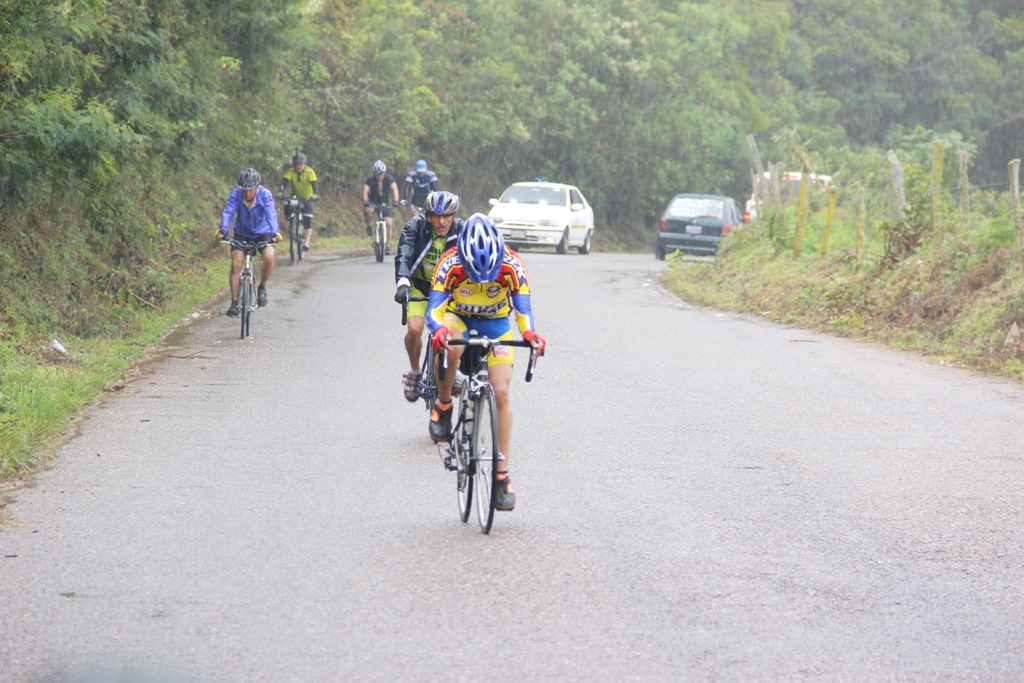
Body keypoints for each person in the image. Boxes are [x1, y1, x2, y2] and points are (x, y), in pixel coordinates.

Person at [425, 213, 546, 511]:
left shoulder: (513, 265)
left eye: (488, 275)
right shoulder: (450, 263)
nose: (481, 280)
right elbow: (434, 311)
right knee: (451, 348)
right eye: (473, 273)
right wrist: (438, 330)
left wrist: (529, 333)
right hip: (457, 318)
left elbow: (523, 308)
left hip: (496, 323)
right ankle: (443, 405)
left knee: (501, 392)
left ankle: (501, 476)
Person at [394, 191, 464, 401]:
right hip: (419, 286)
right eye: (436, 216)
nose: (442, 222)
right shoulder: (415, 227)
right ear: (428, 217)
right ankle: (415, 372)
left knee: (455, 332)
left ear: (454, 216)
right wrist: (403, 284)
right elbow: (404, 255)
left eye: (447, 216)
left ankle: (455, 370)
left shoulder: (462, 229)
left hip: (448, 291)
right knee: (415, 329)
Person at [216, 168, 282, 317]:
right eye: (244, 190)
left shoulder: (265, 195)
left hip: (262, 232)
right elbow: (229, 211)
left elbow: (271, 214)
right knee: (236, 263)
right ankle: (234, 304)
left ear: (257, 187)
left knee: (269, 256)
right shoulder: (236, 194)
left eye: (250, 190)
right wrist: (224, 229)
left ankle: (262, 286)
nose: (247, 194)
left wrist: (274, 232)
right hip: (242, 232)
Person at [277, 152, 318, 251]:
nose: (299, 167)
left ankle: (307, 243)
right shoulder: (291, 172)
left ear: (305, 164)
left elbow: (314, 185)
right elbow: (285, 182)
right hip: (296, 197)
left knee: (307, 220)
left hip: (307, 198)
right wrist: (280, 191)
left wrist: (315, 194)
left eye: (301, 164)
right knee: (287, 206)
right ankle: (293, 224)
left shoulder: (310, 172)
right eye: (297, 164)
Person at [362, 160, 400, 254]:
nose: (379, 176)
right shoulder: (370, 180)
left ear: (385, 172)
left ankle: (388, 246)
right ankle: (369, 225)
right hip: (373, 202)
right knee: (367, 210)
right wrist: (366, 201)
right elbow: (365, 191)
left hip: (385, 203)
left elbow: (395, 190)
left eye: (381, 174)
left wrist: (395, 201)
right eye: (377, 174)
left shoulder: (389, 179)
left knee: (389, 224)